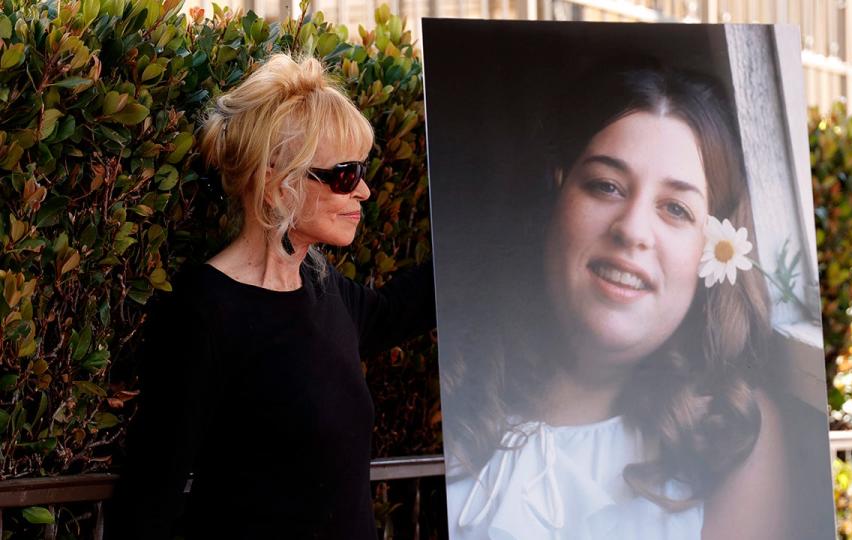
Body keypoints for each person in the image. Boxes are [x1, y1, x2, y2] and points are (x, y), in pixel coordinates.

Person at [442, 64, 787, 539]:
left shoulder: (732, 434)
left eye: (675, 209)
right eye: (606, 186)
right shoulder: (452, 381)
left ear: (712, 252)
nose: (631, 229)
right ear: (556, 191)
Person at [107, 53, 435, 539]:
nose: (364, 191)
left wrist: (501, 238)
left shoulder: (325, 291)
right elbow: (148, 500)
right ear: (276, 184)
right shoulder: (205, 314)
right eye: (345, 175)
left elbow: (400, 308)